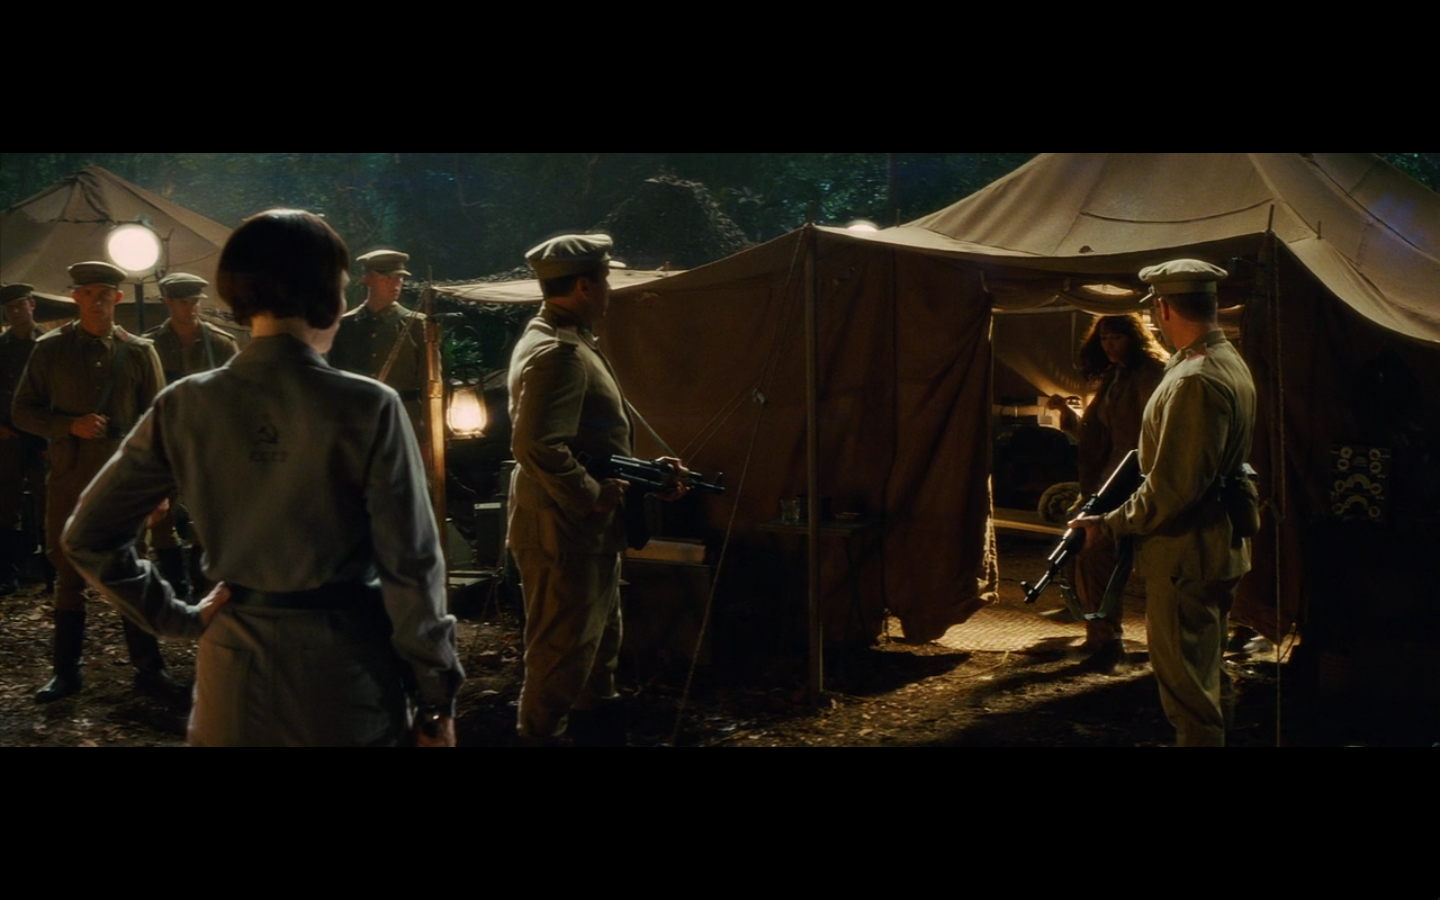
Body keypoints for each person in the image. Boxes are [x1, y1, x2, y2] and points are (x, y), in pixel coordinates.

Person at [63, 210, 464, 746]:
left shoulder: (186, 403)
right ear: (328, 295)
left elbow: (88, 536)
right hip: (344, 676)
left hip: (230, 671)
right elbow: (410, 565)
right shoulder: (368, 406)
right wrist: (435, 694)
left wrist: (179, 618)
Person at [507, 233, 685, 745]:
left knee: (595, 651)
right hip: (564, 529)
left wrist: (644, 472)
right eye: (605, 279)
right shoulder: (559, 352)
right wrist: (592, 494)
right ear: (584, 287)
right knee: (561, 656)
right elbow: (538, 444)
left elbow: (587, 441)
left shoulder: (563, 338)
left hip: (579, 531)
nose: (610, 289)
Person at [1071, 259, 1257, 747]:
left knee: (1188, 692)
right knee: (1208, 676)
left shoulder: (1195, 377)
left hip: (1187, 551)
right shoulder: (1224, 360)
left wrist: (1109, 524)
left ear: (1164, 307)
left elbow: (1174, 486)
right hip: (1215, 545)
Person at [12, 262, 176, 702]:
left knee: (131, 568)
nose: (97, 300)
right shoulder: (50, 350)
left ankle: (149, 669)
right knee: (68, 572)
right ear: (75, 297)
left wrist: (160, 489)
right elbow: (22, 411)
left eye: (105, 293)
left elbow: (160, 424)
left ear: (117, 298)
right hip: (70, 478)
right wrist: (68, 426)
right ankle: (66, 672)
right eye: (87, 293)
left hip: (125, 481)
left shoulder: (139, 351)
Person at [1045, 314, 1166, 672]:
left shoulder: (1151, 372)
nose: (1110, 345)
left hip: (1139, 480)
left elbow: (1155, 429)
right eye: (1104, 339)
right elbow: (1097, 432)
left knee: (1137, 559)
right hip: (1108, 480)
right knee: (1090, 550)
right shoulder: (1115, 376)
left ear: (1134, 338)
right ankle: (1103, 637)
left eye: (1117, 338)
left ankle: (1142, 643)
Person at [141, 272, 240, 600]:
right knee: (161, 519)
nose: (191, 308)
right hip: (165, 442)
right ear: (168, 302)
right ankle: (177, 585)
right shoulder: (149, 346)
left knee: (208, 516)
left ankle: (200, 586)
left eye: (195, 301)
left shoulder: (221, 344)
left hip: (208, 444)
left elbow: (237, 397)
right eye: (183, 302)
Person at [328, 248, 426, 434]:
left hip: (405, 423)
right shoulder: (345, 326)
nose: (395, 284)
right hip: (358, 423)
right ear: (367, 279)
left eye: (399, 278)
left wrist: (430, 432)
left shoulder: (416, 325)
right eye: (386, 278)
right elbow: (335, 381)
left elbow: (431, 384)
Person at [0, 284, 49, 596]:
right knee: (6, 505)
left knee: (48, 503)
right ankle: (7, 573)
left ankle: (53, 573)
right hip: (9, 435)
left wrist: (51, 433)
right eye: (10, 308)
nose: (16, 312)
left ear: (32, 304)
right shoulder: (2, 347)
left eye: (20, 305)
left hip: (42, 435)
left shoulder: (48, 343)